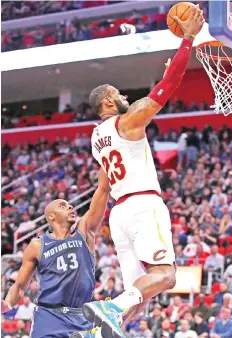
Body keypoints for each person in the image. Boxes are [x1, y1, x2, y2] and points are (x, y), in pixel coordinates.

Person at [80, 7, 205, 338]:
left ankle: (90, 334)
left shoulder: (96, 140)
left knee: (137, 299)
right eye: (119, 95)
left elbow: (103, 189)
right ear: (108, 100)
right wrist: (187, 40)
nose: (124, 97)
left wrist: (91, 230)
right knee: (166, 276)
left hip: (118, 215)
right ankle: (108, 308)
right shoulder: (126, 122)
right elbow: (169, 87)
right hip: (142, 206)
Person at [1, 167, 110, 338]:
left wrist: (106, 160)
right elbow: (20, 286)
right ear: (51, 217)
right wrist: (8, 302)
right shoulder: (37, 245)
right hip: (49, 317)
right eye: (63, 205)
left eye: (69, 205)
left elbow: (102, 191)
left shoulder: (84, 232)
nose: (70, 206)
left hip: (82, 316)